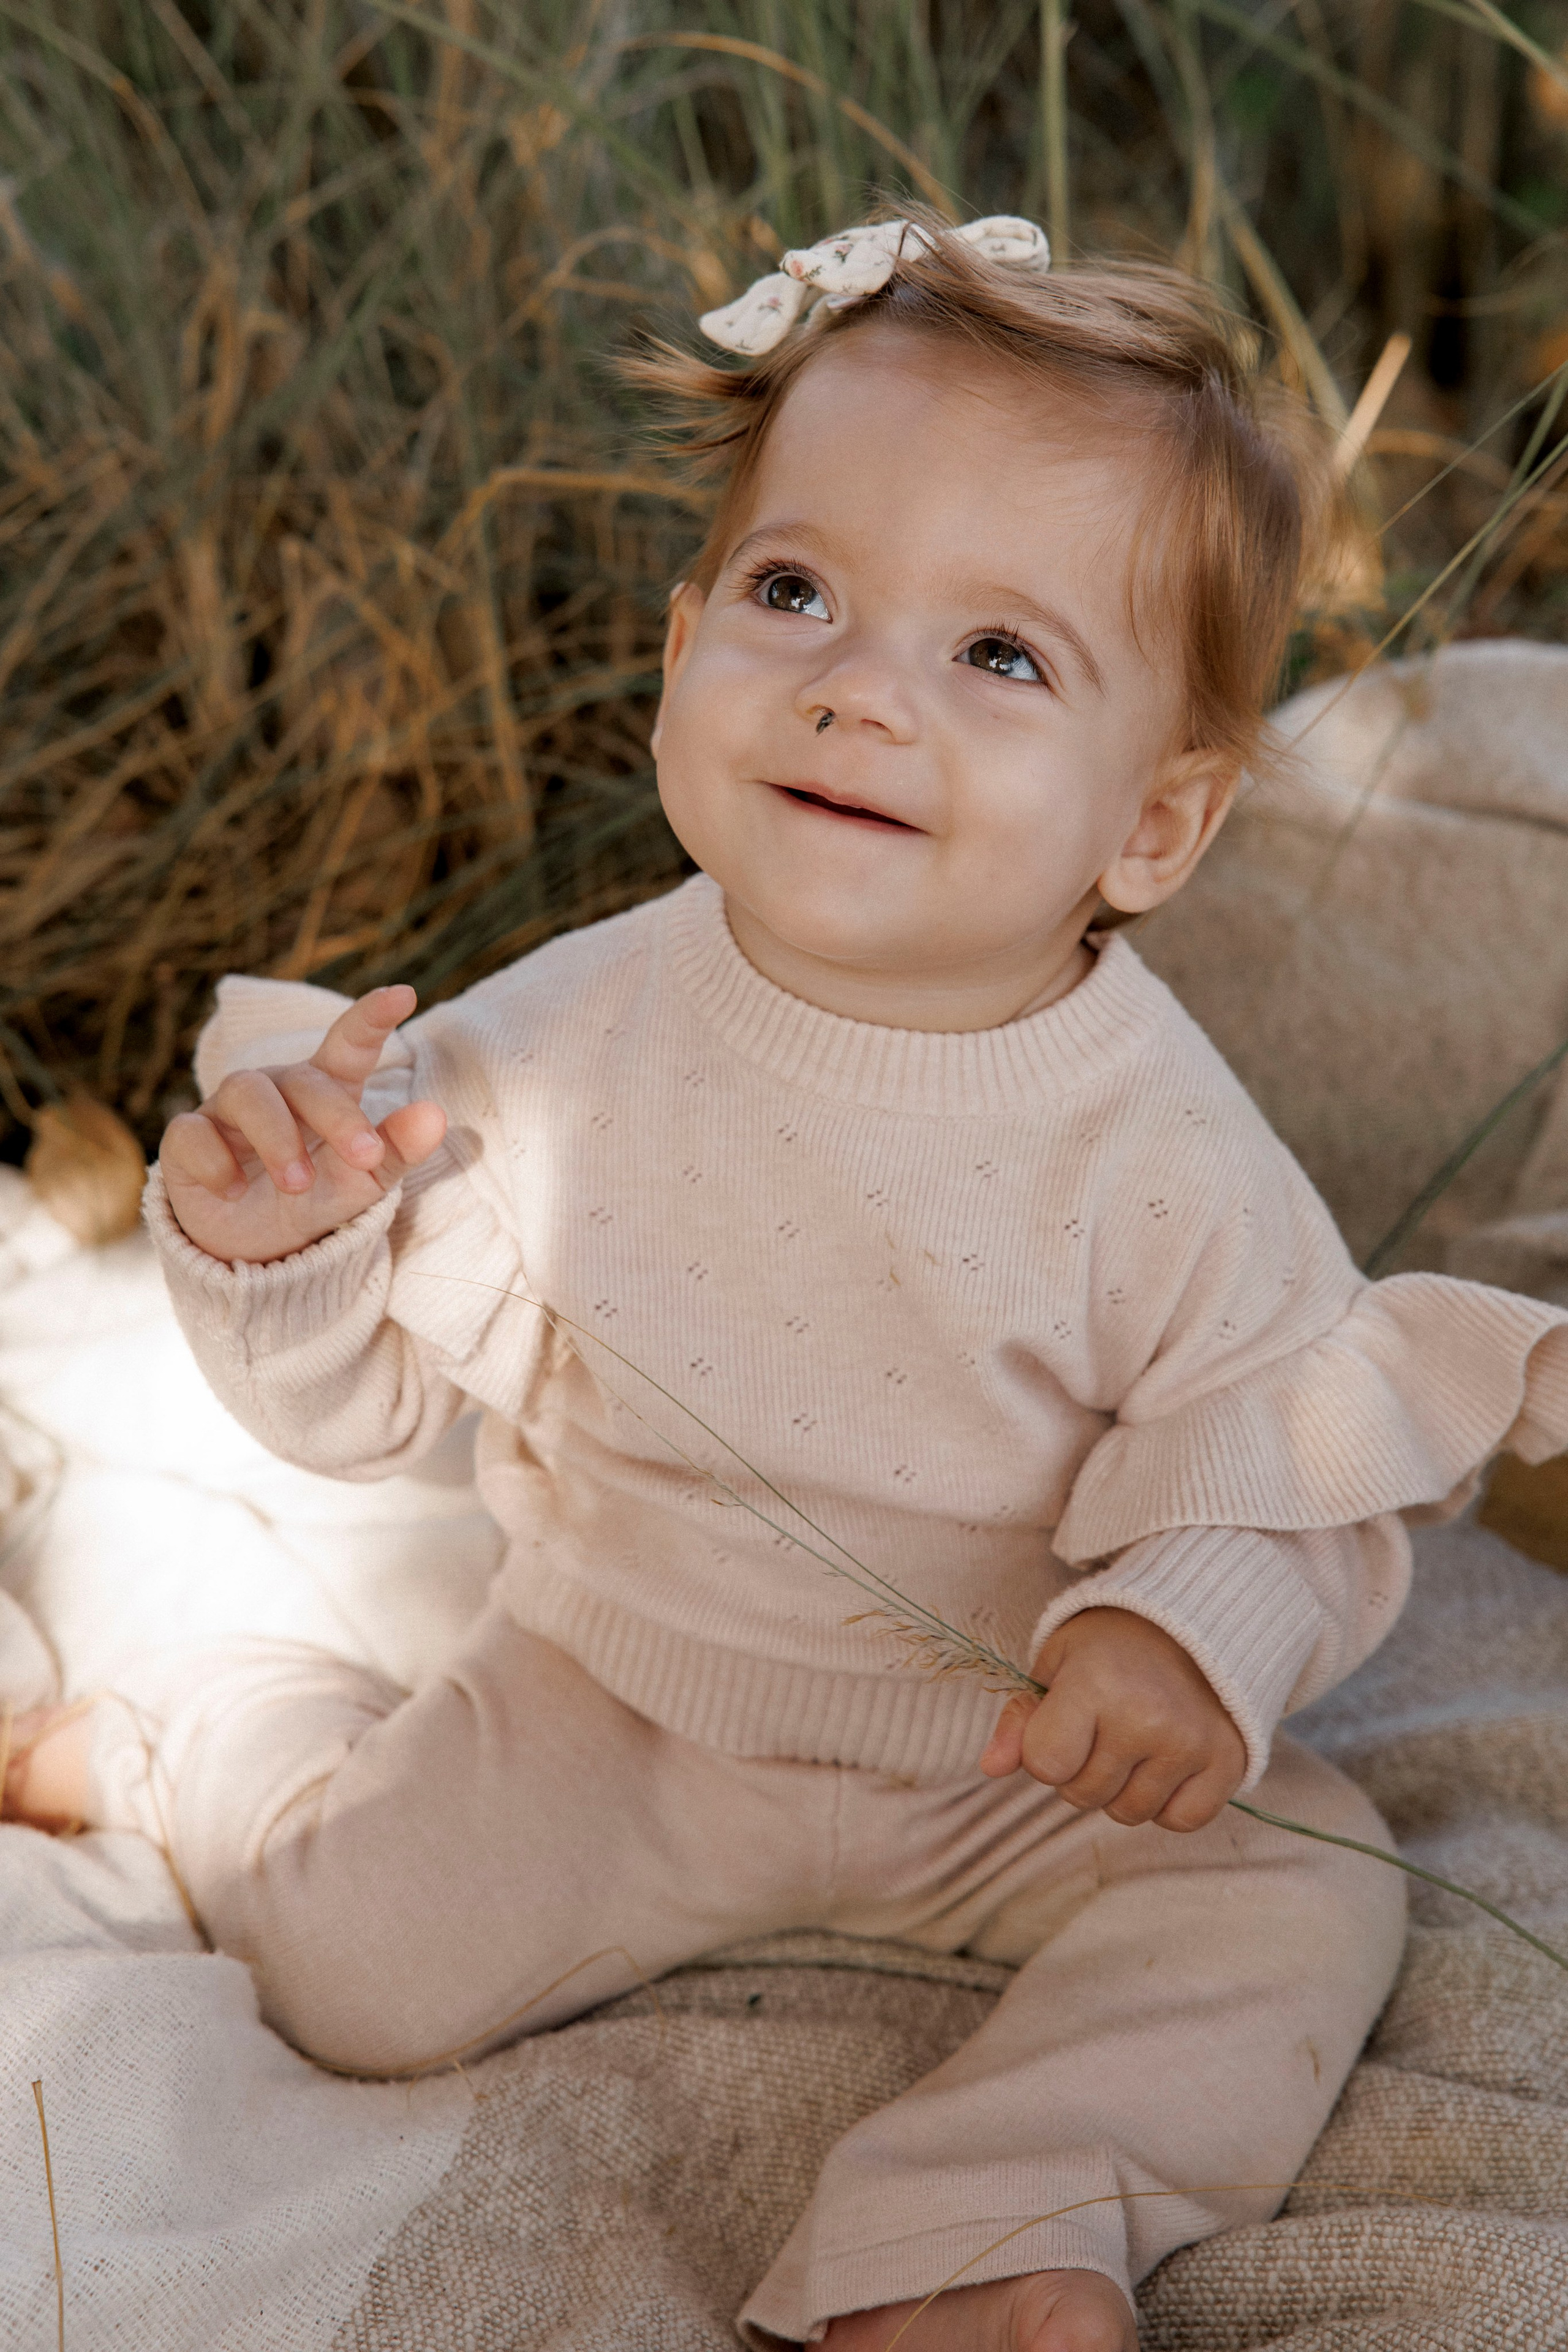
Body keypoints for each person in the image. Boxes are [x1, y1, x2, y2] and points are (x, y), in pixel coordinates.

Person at [10, 212, 1568, 2352]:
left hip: (1009, 1770)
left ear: (1156, 826)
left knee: (1306, 1892)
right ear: (681, 654)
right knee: (349, 1971)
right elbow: (362, 1419)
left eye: (999, 657)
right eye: (794, 592)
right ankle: (205, 1741)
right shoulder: (566, 1043)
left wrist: (1177, 1640)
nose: (855, 684)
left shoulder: (1158, 1147)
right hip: (614, 1716)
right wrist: (285, 1254)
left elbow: (1279, 1429)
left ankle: (975, 2234)